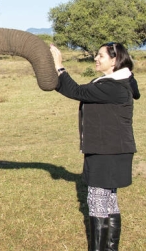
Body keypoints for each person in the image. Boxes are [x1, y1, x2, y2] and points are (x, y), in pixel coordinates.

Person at [50, 42, 139, 251]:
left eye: (101, 56)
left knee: (97, 200)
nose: (96, 59)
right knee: (109, 201)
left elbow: (76, 91)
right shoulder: (120, 81)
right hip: (115, 150)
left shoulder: (112, 86)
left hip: (106, 151)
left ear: (114, 61)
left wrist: (59, 66)